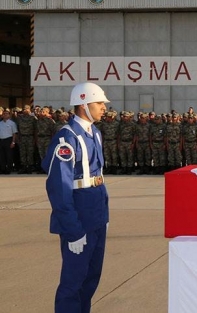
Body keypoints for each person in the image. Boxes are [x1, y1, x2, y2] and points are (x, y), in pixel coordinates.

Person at [42, 82, 110, 313]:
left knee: (90, 280)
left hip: (97, 216)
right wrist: (72, 229)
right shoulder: (67, 138)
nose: (104, 107)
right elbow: (59, 189)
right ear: (83, 104)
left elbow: (97, 176)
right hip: (79, 220)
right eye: (99, 103)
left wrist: (103, 216)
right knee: (73, 283)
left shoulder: (95, 133)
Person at [0, 109, 18, 174]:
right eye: (4, 114)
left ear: (9, 115)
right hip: (1, 140)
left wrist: (13, 142)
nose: (5, 115)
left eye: (6, 114)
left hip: (8, 140)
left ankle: (9, 169)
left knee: (9, 156)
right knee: (2, 156)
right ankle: (2, 169)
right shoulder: (0, 123)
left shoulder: (12, 123)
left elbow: (14, 133)